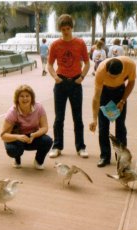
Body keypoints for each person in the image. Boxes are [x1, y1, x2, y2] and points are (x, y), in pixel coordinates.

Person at [47, 14, 90, 159]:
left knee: (77, 117)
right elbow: (49, 64)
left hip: (76, 83)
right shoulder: (55, 45)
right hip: (61, 83)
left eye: (68, 28)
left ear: (72, 28)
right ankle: (57, 146)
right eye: (63, 29)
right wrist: (55, 77)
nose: (65, 31)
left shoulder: (80, 43)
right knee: (59, 117)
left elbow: (87, 63)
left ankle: (81, 147)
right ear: (60, 29)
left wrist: (82, 77)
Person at [89, 57, 136, 167]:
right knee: (103, 127)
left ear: (122, 71)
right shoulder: (100, 71)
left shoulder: (130, 65)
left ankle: (121, 157)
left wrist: (123, 101)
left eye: (116, 77)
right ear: (107, 71)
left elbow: (131, 83)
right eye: (110, 76)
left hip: (120, 92)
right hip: (105, 93)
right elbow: (96, 98)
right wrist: (94, 119)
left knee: (120, 126)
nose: (113, 78)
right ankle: (105, 156)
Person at [1, 84, 52, 170]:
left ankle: (38, 161)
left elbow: (44, 128)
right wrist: (18, 137)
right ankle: (17, 159)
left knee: (48, 141)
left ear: (32, 97)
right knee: (12, 149)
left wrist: (34, 135)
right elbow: (3, 135)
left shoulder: (39, 107)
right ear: (17, 98)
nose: (25, 99)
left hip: (32, 136)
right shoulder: (12, 112)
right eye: (21, 96)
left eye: (27, 96)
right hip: (17, 138)